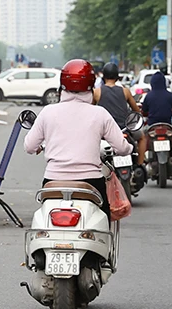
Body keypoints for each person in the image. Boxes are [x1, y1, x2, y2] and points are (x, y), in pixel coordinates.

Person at [23, 59, 133, 217]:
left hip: (52, 183)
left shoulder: (48, 112)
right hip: (90, 183)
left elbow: (29, 146)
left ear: (62, 84)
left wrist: (41, 146)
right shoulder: (100, 114)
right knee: (103, 220)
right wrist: (129, 148)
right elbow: (122, 147)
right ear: (91, 85)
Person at [94, 61, 147, 164]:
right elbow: (136, 110)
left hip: (104, 132)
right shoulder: (125, 91)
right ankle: (140, 165)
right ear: (117, 77)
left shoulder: (97, 92)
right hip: (124, 129)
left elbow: (89, 111)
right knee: (142, 138)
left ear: (103, 76)